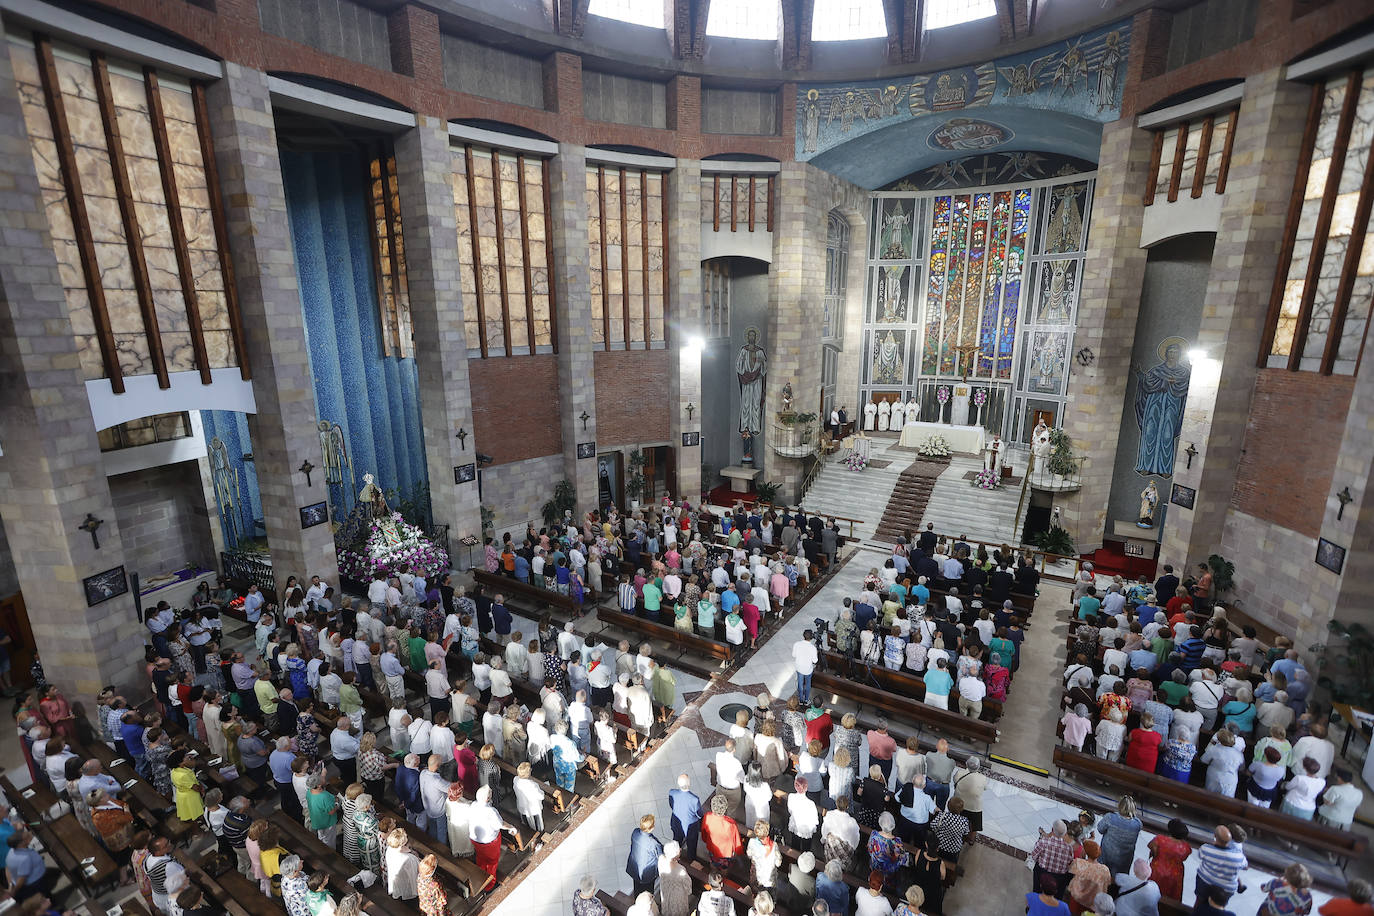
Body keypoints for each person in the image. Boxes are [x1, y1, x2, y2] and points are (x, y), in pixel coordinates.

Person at [1194, 825, 1246, 906]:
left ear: (1215, 837)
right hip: (1226, 888)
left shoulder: (1206, 848)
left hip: (1205, 882)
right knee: (1218, 906)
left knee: (1199, 902)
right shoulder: (1239, 856)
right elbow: (1245, 866)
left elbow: (1200, 856)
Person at [1068, 839, 1110, 916]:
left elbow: (1069, 869)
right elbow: (1107, 883)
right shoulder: (1105, 869)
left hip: (1076, 901)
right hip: (1093, 904)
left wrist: (1081, 857)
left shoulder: (1079, 863)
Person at [626, 814, 664, 897]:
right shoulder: (653, 843)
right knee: (648, 893)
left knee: (637, 889)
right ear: (651, 828)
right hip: (647, 874)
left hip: (635, 869)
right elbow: (660, 855)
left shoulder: (635, 832)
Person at [702, 794, 743, 869]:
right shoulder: (730, 823)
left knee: (712, 862)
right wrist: (738, 851)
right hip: (725, 852)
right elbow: (736, 840)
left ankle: (713, 874)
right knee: (725, 867)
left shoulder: (707, 816)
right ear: (725, 808)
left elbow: (704, 831)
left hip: (712, 847)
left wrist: (705, 840)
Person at [668, 773, 703, 856]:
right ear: (689, 784)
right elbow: (699, 815)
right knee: (691, 846)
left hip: (676, 824)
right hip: (690, 827)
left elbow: (671, 805)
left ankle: (675, 855)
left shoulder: (672, 792)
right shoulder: (694, 799)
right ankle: (691, 859)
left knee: (676, 842)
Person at [793, 632, 819, 703]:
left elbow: (794, 655)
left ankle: (801, 700)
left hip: (799, 668)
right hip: (808, 670)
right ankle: (806, 700)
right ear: (811, 638)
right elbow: (815, 661)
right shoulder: (813, 648)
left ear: (803, 636)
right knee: (808, 684)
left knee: (800, 684)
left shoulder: (797, 644)